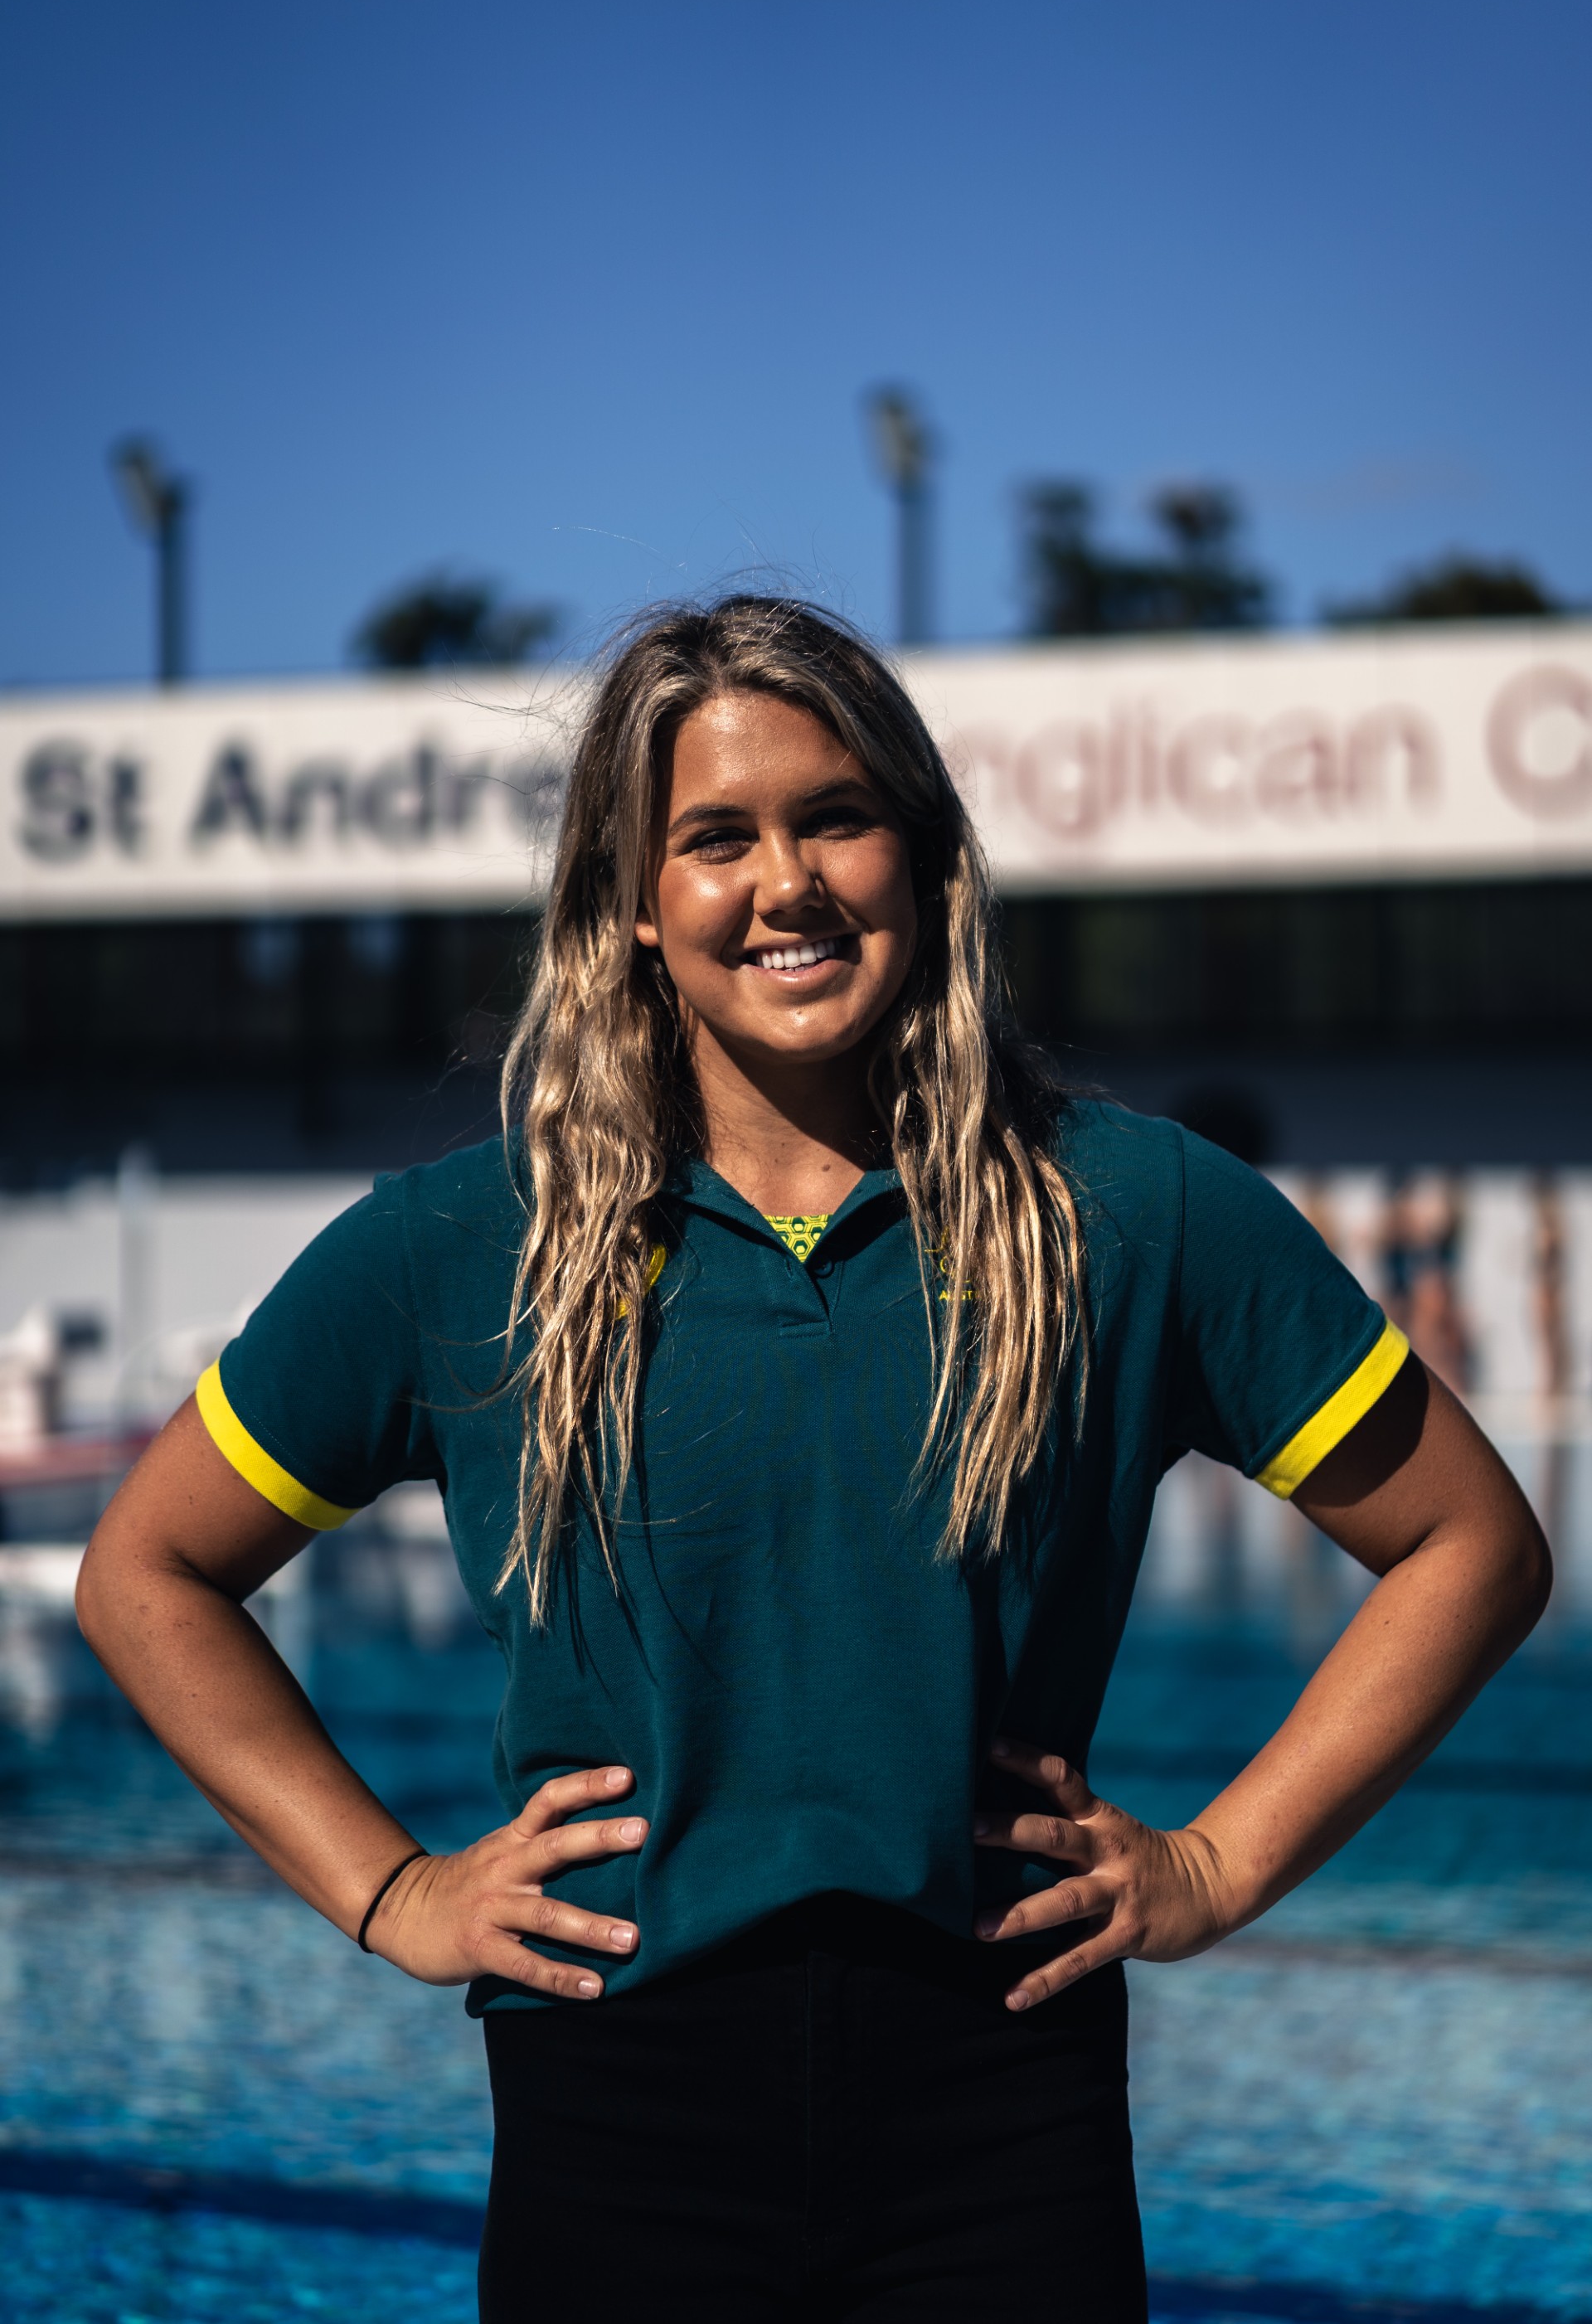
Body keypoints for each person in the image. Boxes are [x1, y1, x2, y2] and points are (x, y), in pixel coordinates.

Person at [77, 596, 1551, 2322]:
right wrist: (390, 1887)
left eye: (835, 819)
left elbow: (1473, 1544)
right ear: (633, 902)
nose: (784, 883)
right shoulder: (464, 1250)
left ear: (922, 858)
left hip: (1004, 2103)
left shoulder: (1131, 1215)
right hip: (617, 2107)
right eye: (715, 839)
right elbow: (145, 1574)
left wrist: (1216, 1866)